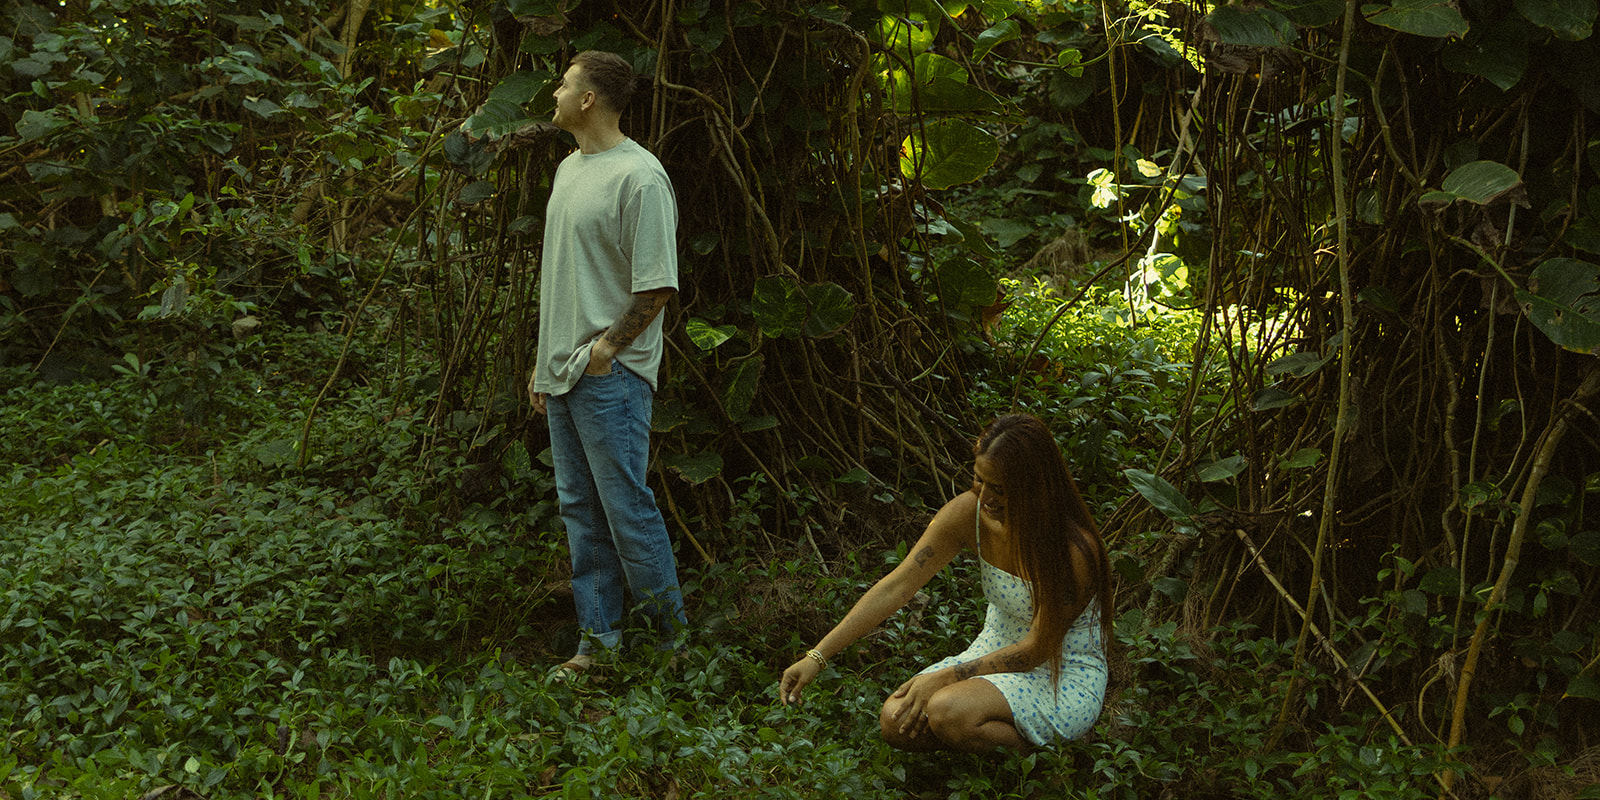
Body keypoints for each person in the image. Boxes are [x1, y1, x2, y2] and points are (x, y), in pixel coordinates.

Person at [778, 414, 1113, 752]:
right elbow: (898, 586)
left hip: (1060, 671)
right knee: (896, 721)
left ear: (1035, 488)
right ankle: (976, 731)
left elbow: (1036, 649)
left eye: (1001, 489)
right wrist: (817, 655)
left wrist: (944, 678)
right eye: (980, 480)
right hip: (994, 648)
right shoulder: (970, 513)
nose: (986, 498)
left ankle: (1048, 759)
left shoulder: (1071, 552)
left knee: (946, 711)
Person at [527, 50, 685, 679]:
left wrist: (605, 353)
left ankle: (670, 649)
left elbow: (655, 287)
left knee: (625, 508)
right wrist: (544, 365)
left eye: (565, 84)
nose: (556, 93)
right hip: (562, 370)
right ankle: (598, 645)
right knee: (580, 510)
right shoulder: (570, 169)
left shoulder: (640, 177)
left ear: (588, 99)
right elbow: (564, 282)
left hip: (608, 376)